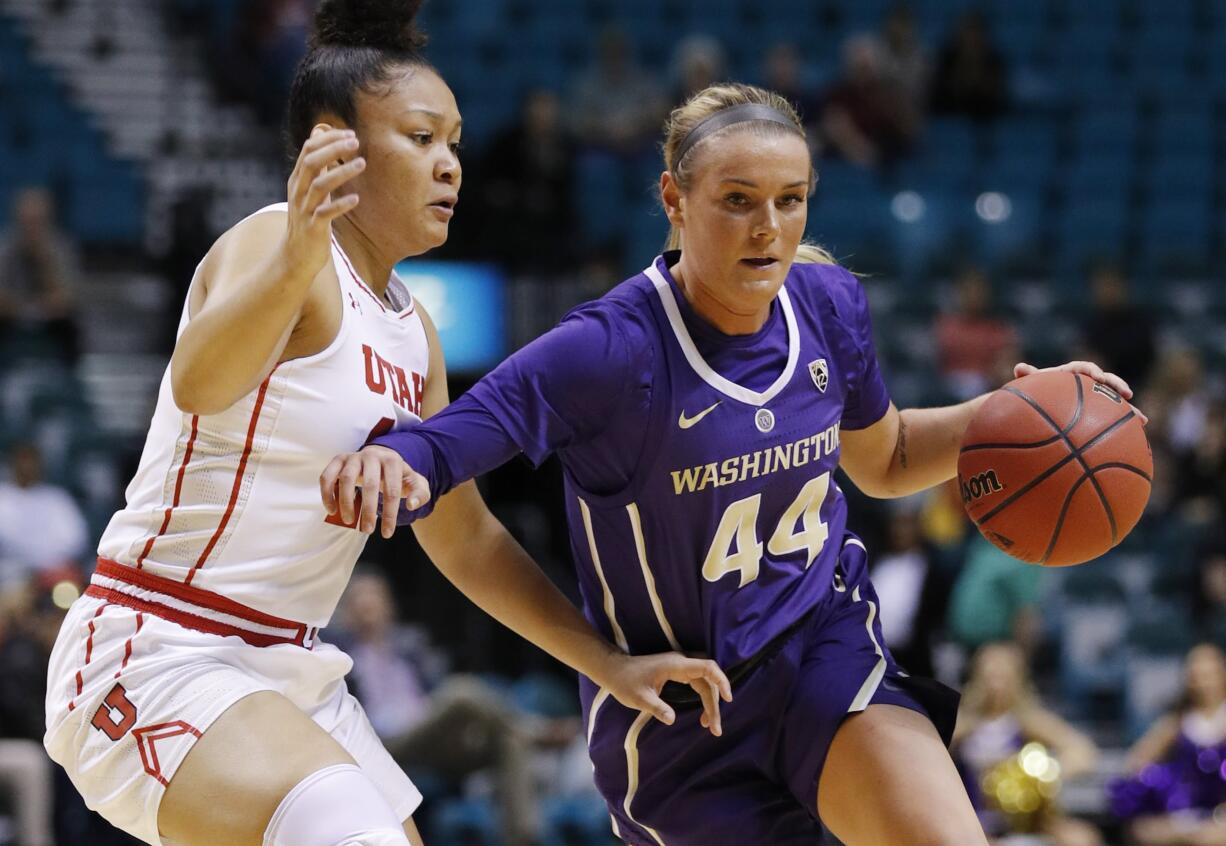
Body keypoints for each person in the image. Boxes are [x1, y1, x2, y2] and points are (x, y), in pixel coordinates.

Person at [324, 82, 1135, 845]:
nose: (769, 228)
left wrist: (1012, 415)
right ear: (675, 202)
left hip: (823, 651)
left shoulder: (828, 303)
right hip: (680, 720)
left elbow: (883, 457)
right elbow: (440, 449)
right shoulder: (609, 352)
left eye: (791, 201)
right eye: (739, 201)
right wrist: (392, 466)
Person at [42, 3, 728, 846]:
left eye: (456, 143)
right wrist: (297, 250)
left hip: (293, 668)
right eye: (422, 138)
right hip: (158, 644)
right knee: (339, 822)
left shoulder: (414, 332)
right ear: (337, 146)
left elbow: (466, 540)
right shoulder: (277, 243)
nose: (451, 166)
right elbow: (197, 383)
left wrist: (607, 665)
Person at [953, 642, 1104, 846]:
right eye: (990, 676)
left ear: (1018, 679)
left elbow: (1082, 751)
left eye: (1004, 677)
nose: (996, 685)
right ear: (977, 678)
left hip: (1025, 818)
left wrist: (1041, 773)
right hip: (974, 816)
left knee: (1083, 839)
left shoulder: (1030, 721)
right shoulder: (963, 724)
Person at [1111, 643, 1226, 845]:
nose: (1201, 684)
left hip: (1220, 817)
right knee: (1145, 830)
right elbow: (1137, 760)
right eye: (1195, 676)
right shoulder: (1177, 722)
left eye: (1208, 675)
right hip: (1186, 814)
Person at [0, 187, 80, 364]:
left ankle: (69, 376)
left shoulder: (61, 248)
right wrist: (23, 308)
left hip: (51, 319)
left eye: (36, 222)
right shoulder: (5, 247)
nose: (31, 228)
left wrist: (43, 259)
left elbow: (66, 299)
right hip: (12, 316)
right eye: (26, 222)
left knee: (70, 326)